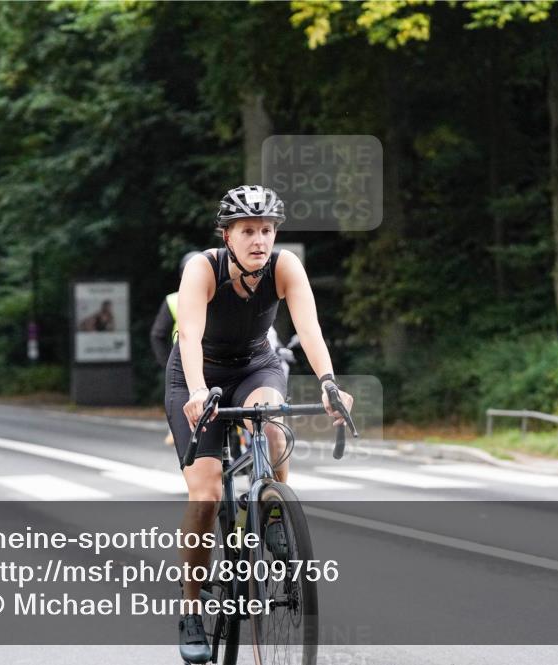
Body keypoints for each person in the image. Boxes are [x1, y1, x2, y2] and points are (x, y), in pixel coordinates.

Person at [166, 185, 354, 663]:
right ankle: (191, 610)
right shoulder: (202, 269)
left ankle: (273, 511)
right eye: (248, 230)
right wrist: (194, 393)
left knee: (272, 423)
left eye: (266, 230)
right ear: (226, 235)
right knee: (206, 492)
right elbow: (188, 334)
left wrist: (329, 383)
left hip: (256, 364)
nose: (259, 240)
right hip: (199, 372)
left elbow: (308, 328)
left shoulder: (285, 266)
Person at [150, 252, 200, 446]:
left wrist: (166, 364)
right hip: (184, 356)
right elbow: (158, 335)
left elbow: (157, 335)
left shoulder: (175, 299)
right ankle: (176, 428)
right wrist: (167, 363)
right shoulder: (174, 300)